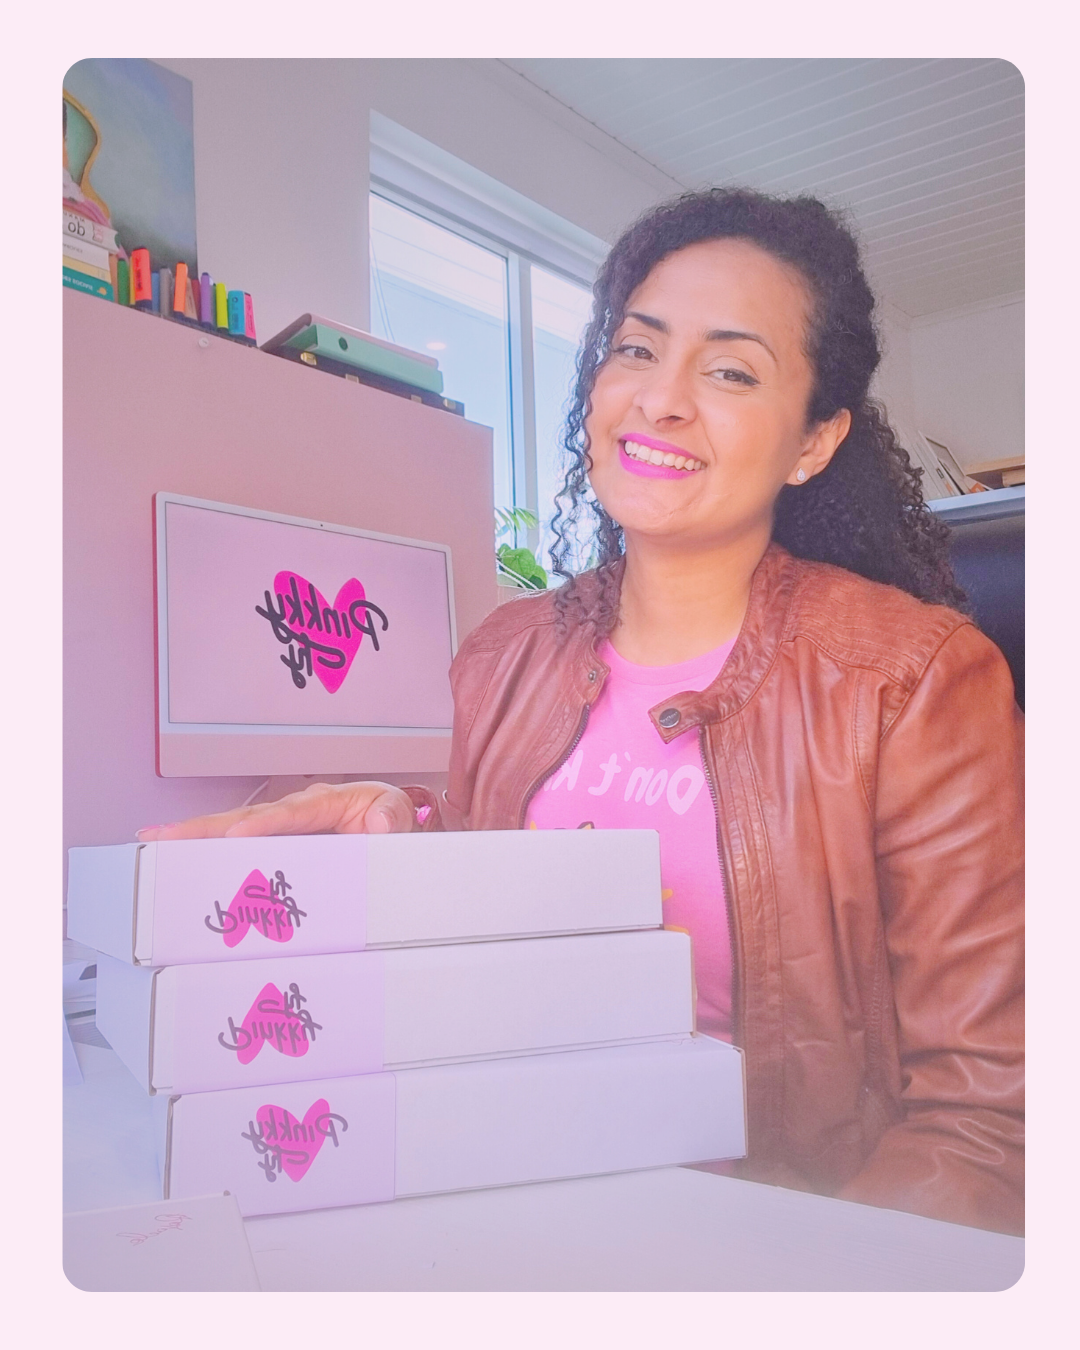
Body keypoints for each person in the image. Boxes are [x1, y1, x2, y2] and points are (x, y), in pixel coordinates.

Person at [139, 188, 1023, 1236]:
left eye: (731, 371)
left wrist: (794, 1286)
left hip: (780, 1239)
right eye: (637, 350)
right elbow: (502, 948)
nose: (661, 399)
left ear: (814, 440)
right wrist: (407, 837)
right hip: (507, 1205)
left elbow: (987, 1117)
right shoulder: (504, 656)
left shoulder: (913, 680)